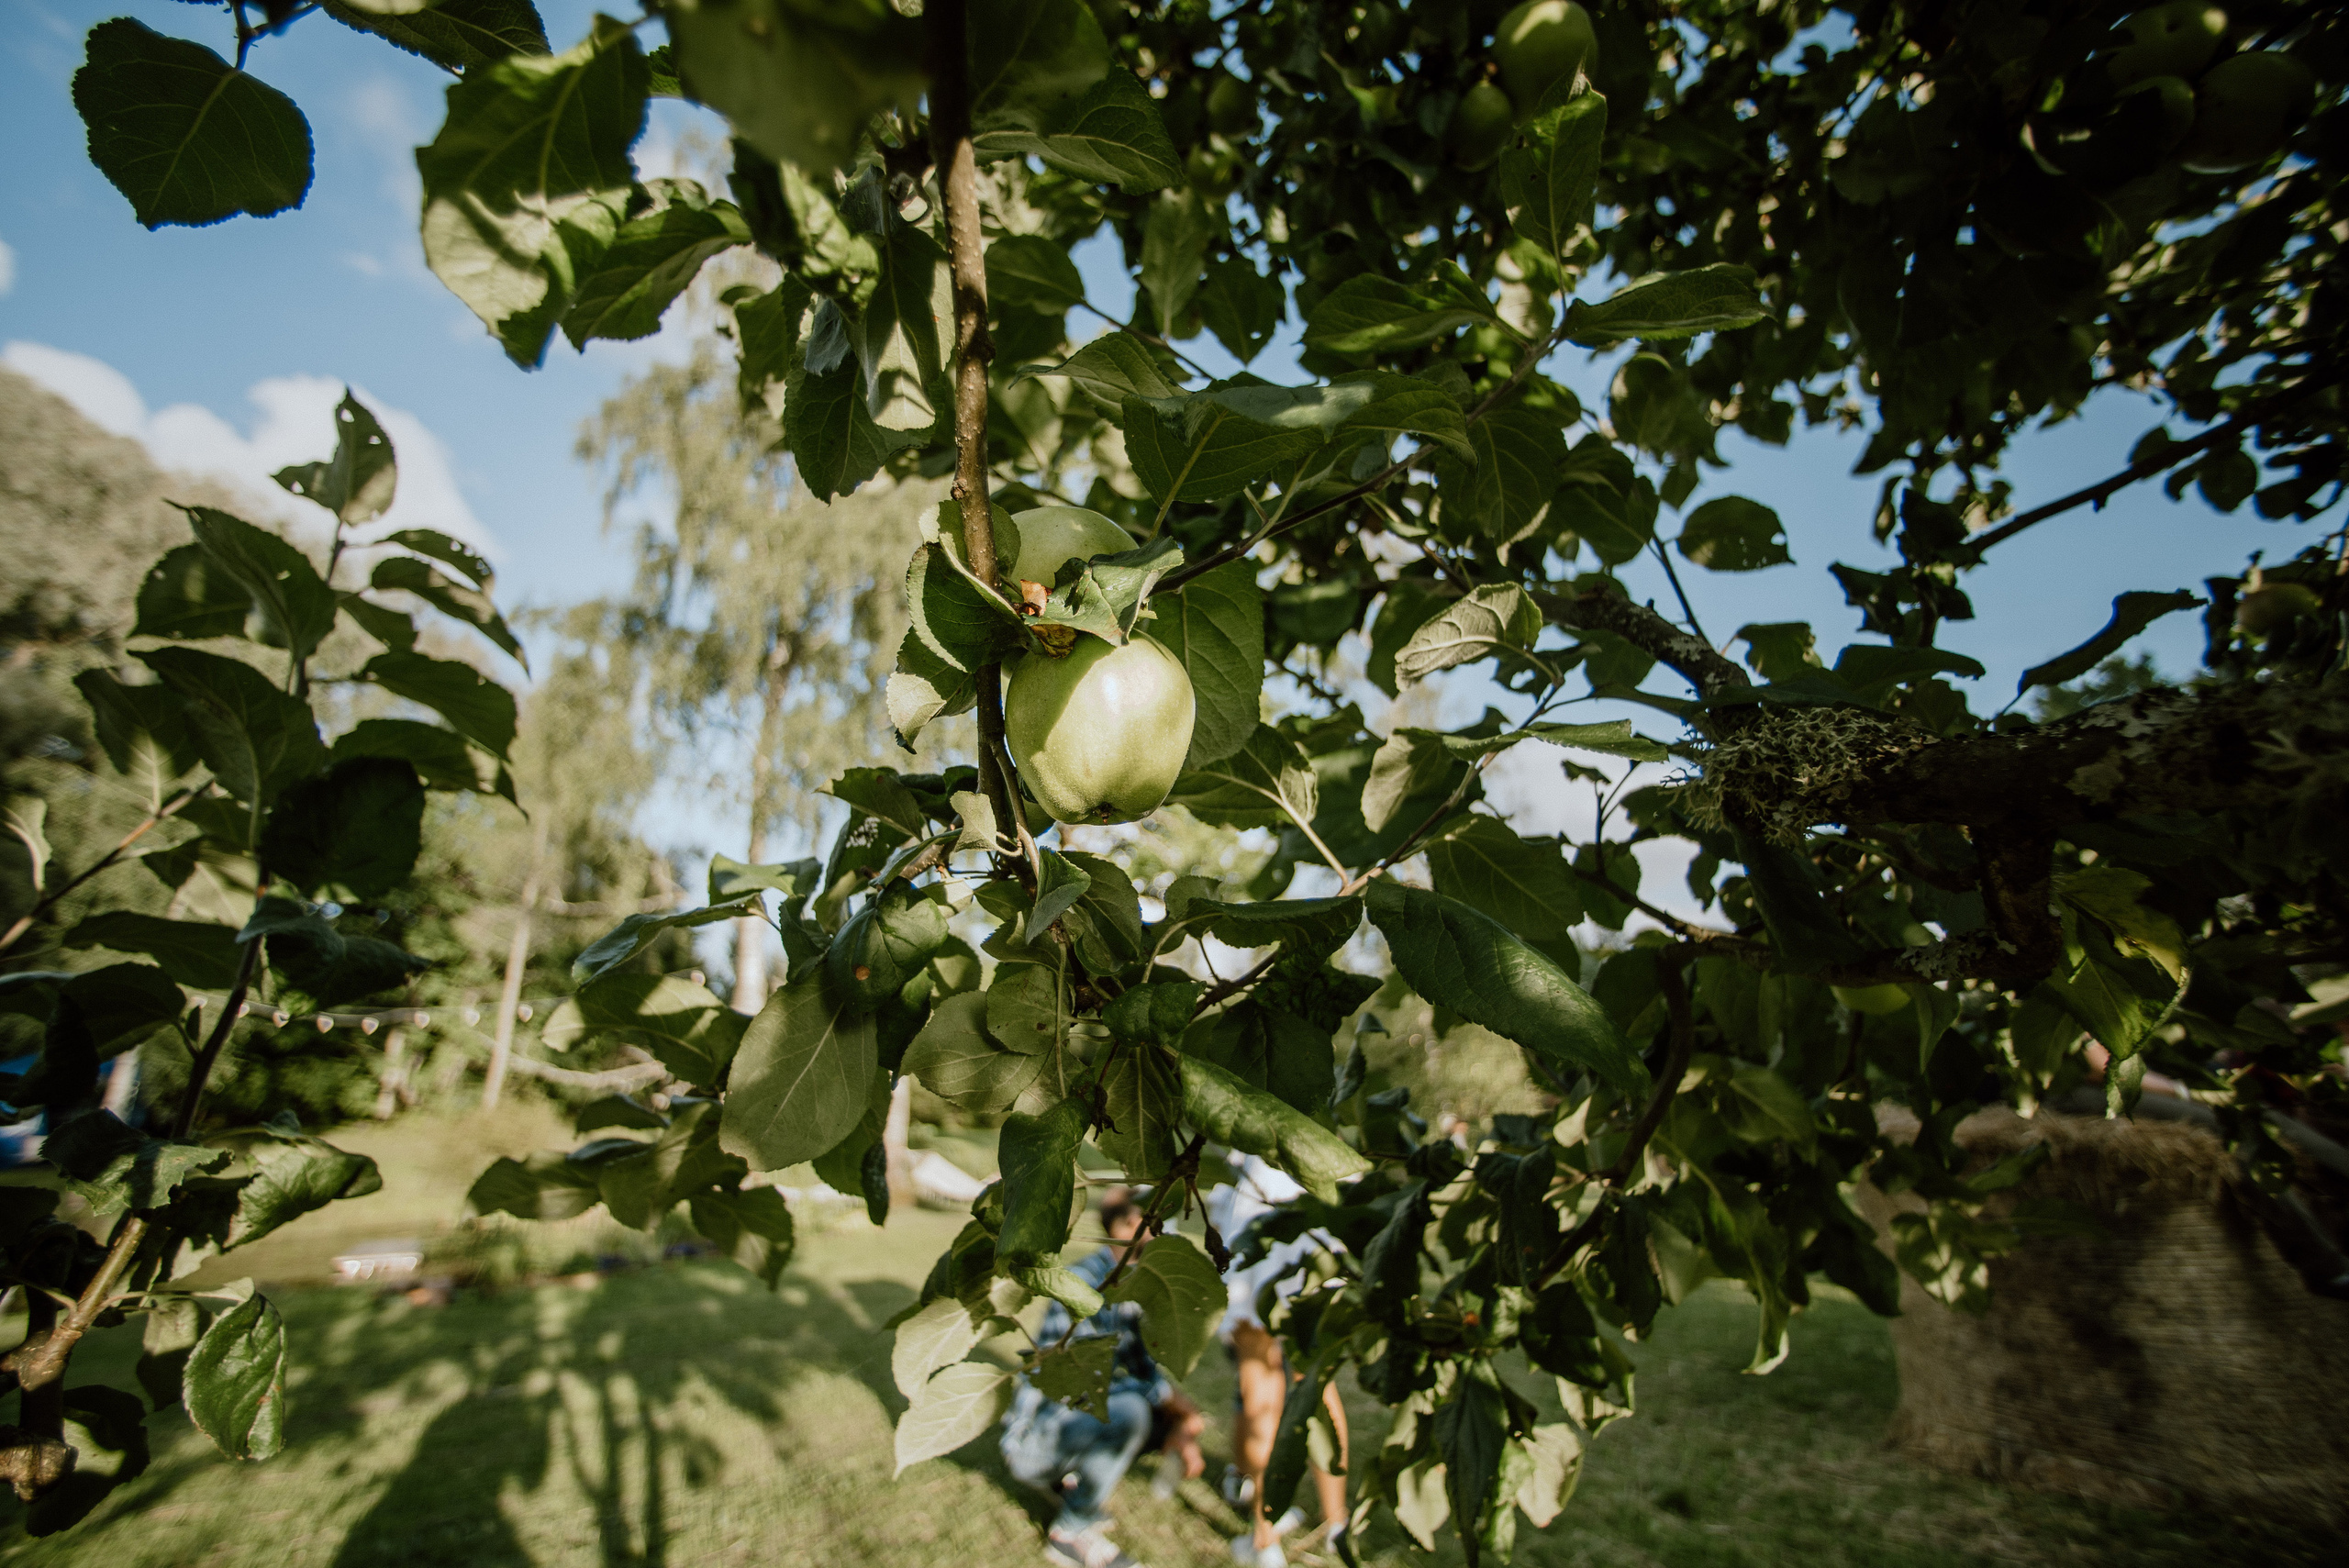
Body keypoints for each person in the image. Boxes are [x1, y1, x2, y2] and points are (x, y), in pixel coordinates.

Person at [1000, 1187, 1206, 1568]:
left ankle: (1070, 1478)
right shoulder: (1084, 1283)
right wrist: (1175, 1404)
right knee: (1130, 1413)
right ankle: (1070, 1533)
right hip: (1036, 1439)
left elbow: (1143, 1368)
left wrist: (1179, 1417)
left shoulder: (1131, 1283)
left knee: (1154, 1415)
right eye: (1158, 1221)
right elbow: (1091, 1383)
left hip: (1067, 1423)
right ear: (1129, 1225)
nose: (1167, 1230)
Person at [1207, 1153, 1349, 1568]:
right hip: (1313, 1195)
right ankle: (1336, 1523)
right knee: (1319, 1385)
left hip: (1262, 1207)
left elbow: (1217, 1210)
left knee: (1260, 1389)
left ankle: (1265, 1542)